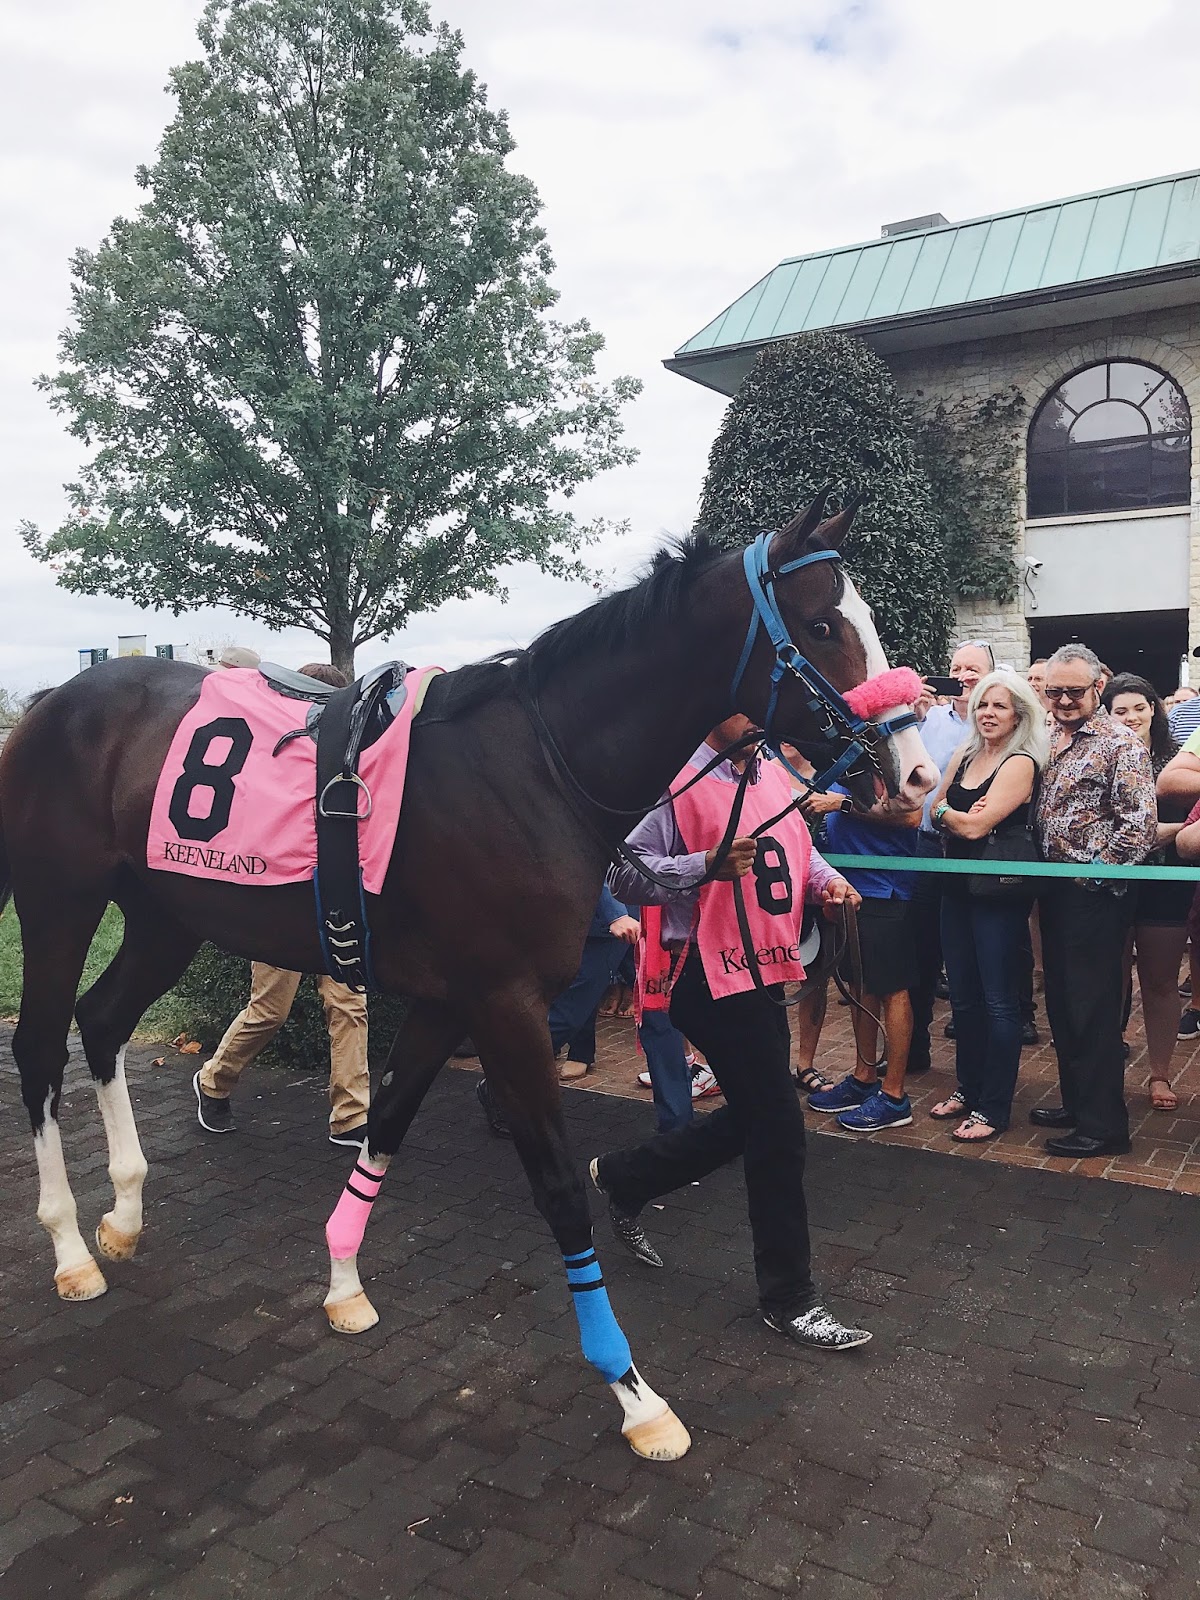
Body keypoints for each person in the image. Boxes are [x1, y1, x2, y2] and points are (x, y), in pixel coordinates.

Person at [597, 714, 873, 1352]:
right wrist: (704, 866)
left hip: (763, 970)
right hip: (703, 973)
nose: (756, 718)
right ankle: (790, 1297)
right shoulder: (673, 778)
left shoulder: (771, 770)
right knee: (778, 1128)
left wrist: (829, 884)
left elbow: (797, 852)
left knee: (758, 1115)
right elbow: (622, 873)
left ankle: (627, 1176)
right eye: (743, 707)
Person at [193, 662, 373, 1146]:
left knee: (349, 1004)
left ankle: (351, 1115)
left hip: (337, 901)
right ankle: (213, 1080)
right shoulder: (278, 755)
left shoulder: (353, 756)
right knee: (270, 1010)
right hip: (283, 904)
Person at [1031, 645, 1157, 1158]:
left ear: (1098, 687)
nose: (1063, 700)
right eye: (1054, 691)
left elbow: (1139, 825)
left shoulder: (1120, 743)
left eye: (1074, 691)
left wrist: (1094, 878)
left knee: (1092, 1008)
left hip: (1095, 896)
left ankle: (1104, 1127)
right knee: (1062, 1003)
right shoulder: (1048, 736)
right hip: (1054, 890)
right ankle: (1077, 1103)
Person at [925, 673, 1048, 1139]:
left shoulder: (1021, 762)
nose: (988, 714)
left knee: (999, 1000)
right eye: (982, 704)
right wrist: (954, 814)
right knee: (963, 998)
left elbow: (975, 827)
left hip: (998, 893)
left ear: (1018, 714)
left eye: (999, 705)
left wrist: (957, 816)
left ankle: (993, 1107)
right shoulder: (965, 754)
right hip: (956, 886)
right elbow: (934, 810)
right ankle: (968, 1088)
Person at [475, 886, 640, 1135]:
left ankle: (677, 1099)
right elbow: (604, 865)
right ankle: (502, 1082)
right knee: (567, 1016)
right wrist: (615, 914)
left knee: (661, 1006)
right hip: (609, 924)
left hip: (636, 914)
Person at [804, 785, 922, 1132]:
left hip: (885, 886)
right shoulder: (844, 760)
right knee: (860, 985)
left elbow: (912, 816)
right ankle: (864, 1078)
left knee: (892, 988)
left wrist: (841, 804)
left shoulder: (892, 761)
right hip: (849, 886)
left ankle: (894, 1096)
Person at [1102, 675, 1188, 1112]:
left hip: (1166, 881)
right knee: (1108, 978)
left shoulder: (1178, 759)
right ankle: (1103, 1067)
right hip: (1111, 883)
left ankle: (1160, 1073)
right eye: (1120, 710)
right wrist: (1148, 834)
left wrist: (1155, 833)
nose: (1131, 717)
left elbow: (1192, 822)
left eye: (1139, 707)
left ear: (1154, 708)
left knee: (1160, 980)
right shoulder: (1100, 756)